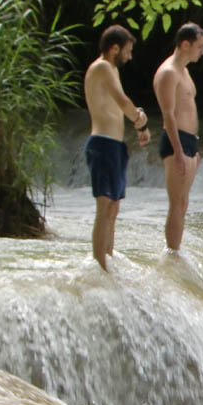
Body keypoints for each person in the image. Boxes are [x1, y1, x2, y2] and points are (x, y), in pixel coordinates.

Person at [84, 24, 150, 271]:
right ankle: (100, 267)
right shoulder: (103, 67)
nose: (130, 56)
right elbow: (123, 101)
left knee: (112, 208)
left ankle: (107, 262)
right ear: (114, 48)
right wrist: (139, 119)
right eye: (128, 50)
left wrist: (139, 125)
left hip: (112, 145)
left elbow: (118, 105)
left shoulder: (109, 68)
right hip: (102, 145)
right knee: (104, 207)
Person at [154, 22, 203, 253]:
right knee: (176, 203)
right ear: (185, 44)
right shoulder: (168, 73)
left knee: (183, 203)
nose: (202, 52)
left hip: (189, 141)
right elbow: (168, 115)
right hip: (176, 141)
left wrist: (193, 149)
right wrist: (177, 152)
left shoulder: (184, 71)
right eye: (199, 47)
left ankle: (176, 250)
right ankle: (172, 252)